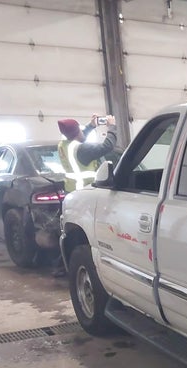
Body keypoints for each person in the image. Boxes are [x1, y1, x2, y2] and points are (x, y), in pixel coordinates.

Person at [52, 115, 118, 276]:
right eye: (80, 130)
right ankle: (73, 265)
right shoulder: (81, 150)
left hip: (72, 192)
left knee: (72, 232)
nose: (83, 132)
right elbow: (107, 146)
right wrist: (112, 127)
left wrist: (91, 126)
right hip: (84, 195)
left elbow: (79, 137)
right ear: (76, 132)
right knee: (83, 233)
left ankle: (61, 265)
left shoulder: (64, 144)